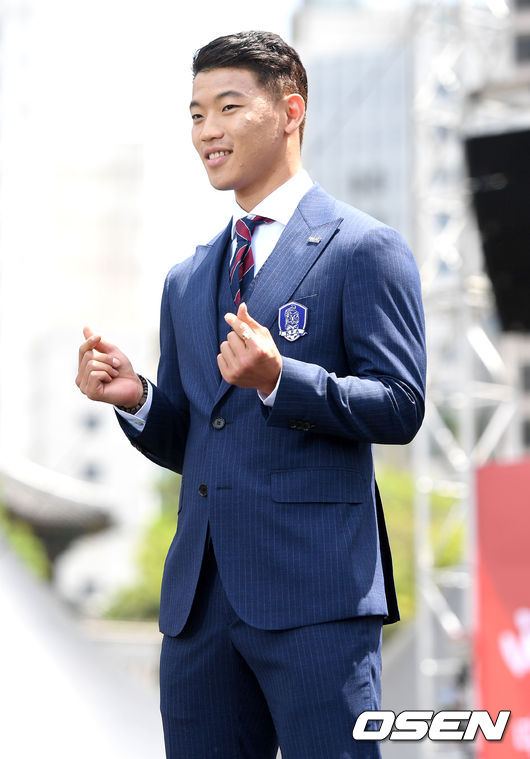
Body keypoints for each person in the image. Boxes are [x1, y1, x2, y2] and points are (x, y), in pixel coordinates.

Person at [76, 30, 426, 759]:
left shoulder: (364, 248)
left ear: (290, 111)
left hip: (317, 598)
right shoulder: (187, 279)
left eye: (229, 107)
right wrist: (137, 398)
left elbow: (400, 404)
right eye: (196, 113)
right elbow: (199, 438)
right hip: (199, 607)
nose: (207, 129)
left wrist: (278, 380)